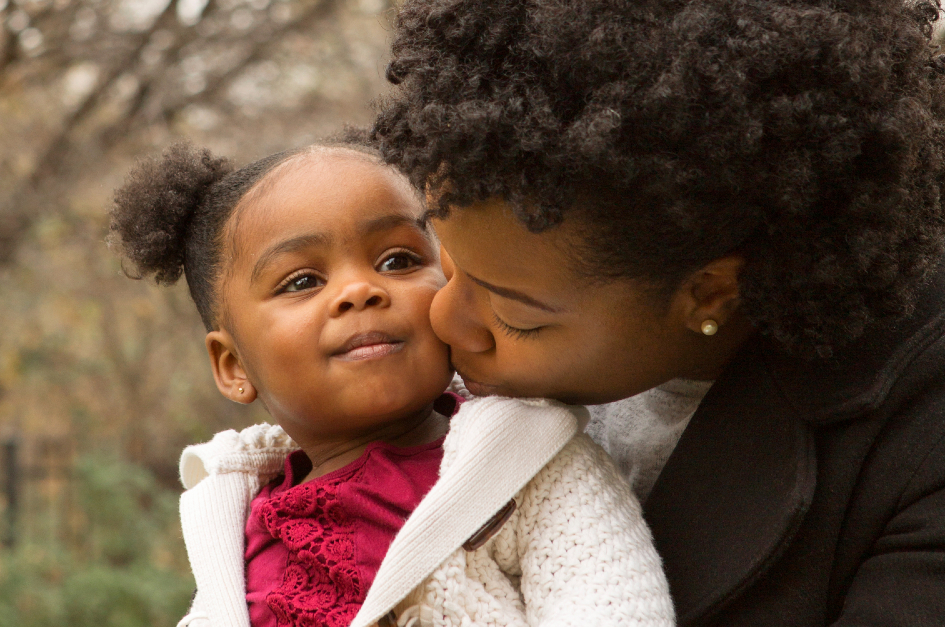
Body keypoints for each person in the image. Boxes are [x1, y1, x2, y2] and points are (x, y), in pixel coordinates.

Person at [372, 0, 945, 625]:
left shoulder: (920, 448)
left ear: (709, 293)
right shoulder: (416, 382)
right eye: (447, 263)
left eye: (514, 315)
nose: (443, 321)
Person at [108, 137, 675, 626]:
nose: (360, 291)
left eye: (398, 261)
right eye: (303, 280)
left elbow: (613, 602)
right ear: (233, 367)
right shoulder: (235, 514)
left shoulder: (528, 460)